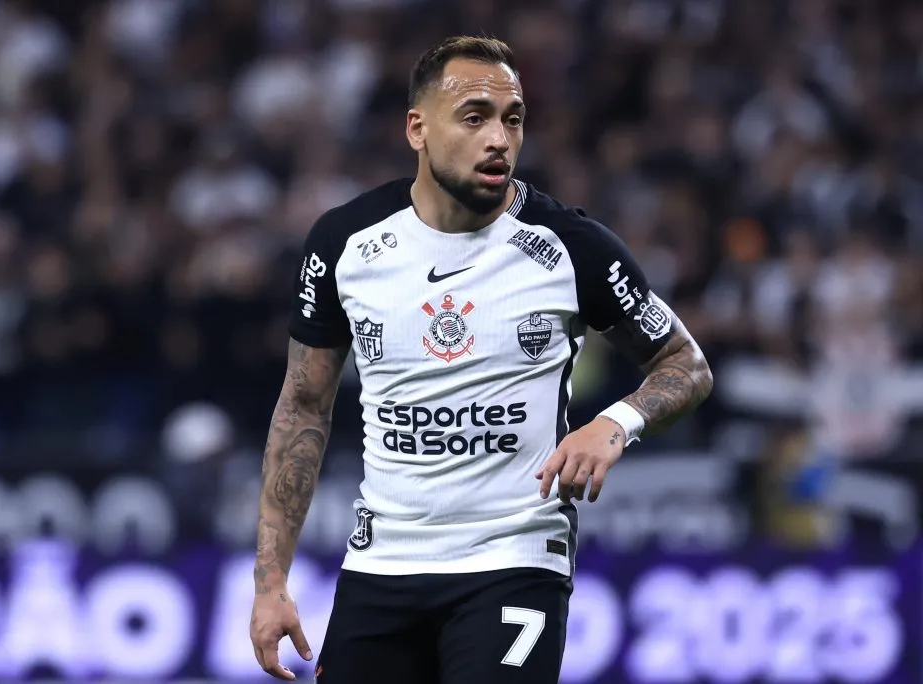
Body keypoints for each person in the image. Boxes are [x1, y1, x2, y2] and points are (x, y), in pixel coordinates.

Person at [249, 35, 713, 684]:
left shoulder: (570, 247)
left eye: (513, 119)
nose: (499, 137)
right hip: (383, 567)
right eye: (475, 118)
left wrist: (616, 423)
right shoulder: (344, 243)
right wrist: (270, 584)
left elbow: (685, 365)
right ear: (418, 128)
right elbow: (302, 407)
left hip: (514, 559)